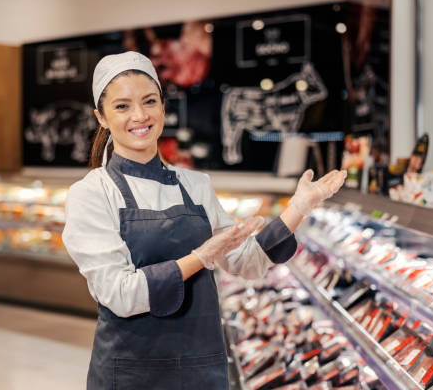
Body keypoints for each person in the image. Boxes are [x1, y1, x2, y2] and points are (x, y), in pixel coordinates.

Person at [62, 51, 346, 390]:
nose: (140, 115)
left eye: (149, 101)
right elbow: (120, 294)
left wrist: (298, 207)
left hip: (202, 368)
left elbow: (246, 262)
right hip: (131, 373)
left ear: (163, 107)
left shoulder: (195, 185)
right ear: (102, 117)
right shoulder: (91, 193)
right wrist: (201, 257)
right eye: (122, 106)